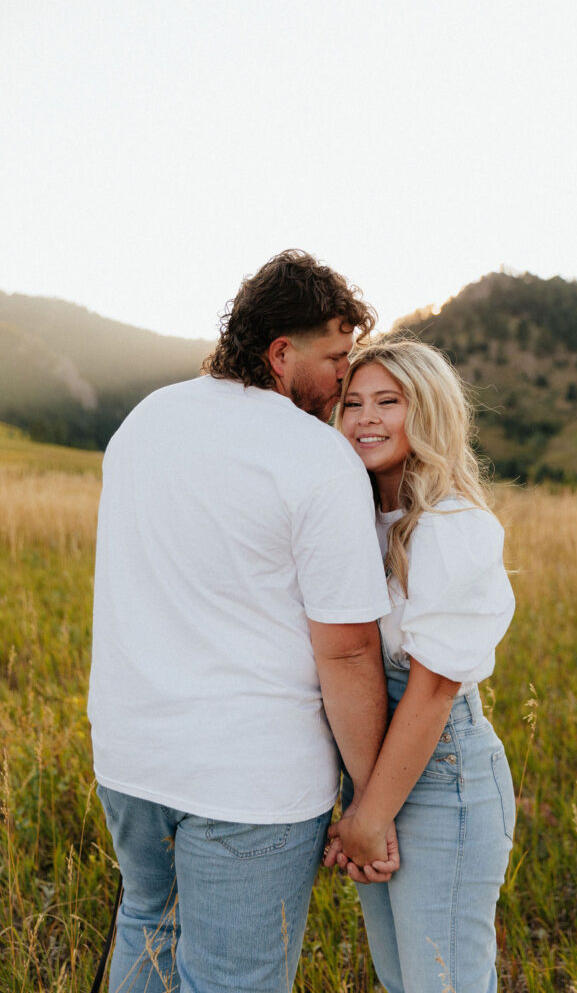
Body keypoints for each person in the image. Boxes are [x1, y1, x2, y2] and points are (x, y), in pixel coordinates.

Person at [88, 250, 397, 993]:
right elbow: (349, 650)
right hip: (248, 781)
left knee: (149, 928)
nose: (342, 382)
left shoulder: (146, 420)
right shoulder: (316, 458)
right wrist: (370, 797)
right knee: (231, 980)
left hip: (131, 758)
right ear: (281, 353)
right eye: (334, 359)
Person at [326, 336, 516, 993]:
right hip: (375, 770)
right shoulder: (358, 516)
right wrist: (359, 805)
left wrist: (368, 820)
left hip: (441, 776)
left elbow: (432, 691)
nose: (365, 418)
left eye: (388, 401)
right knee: (402, 979)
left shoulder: (450, 524)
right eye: (351, 403)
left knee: (444, 983)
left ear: (428, 411)